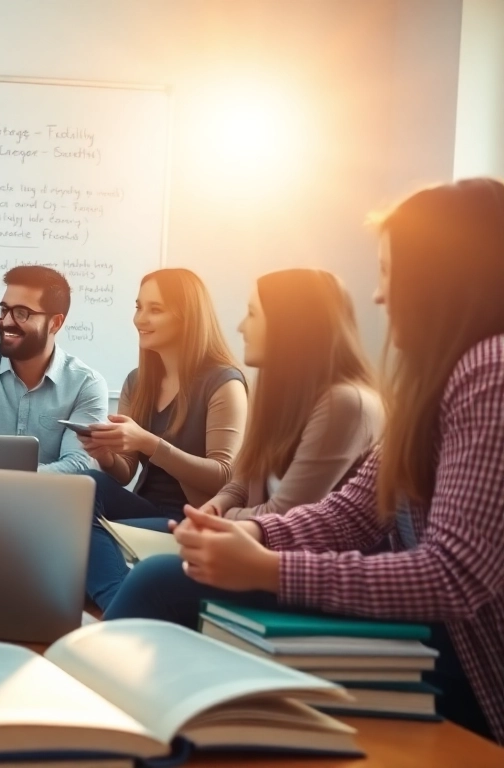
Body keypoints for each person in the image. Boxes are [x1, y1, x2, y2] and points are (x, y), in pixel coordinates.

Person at [104, 178, 504, 744]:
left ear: (441, 277)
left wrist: (269, 568)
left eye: (389, 272)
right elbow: (353, 513)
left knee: (162, 579)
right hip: (432, 632)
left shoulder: (491, 370)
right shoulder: (434, 382)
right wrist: (254, 535)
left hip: (469, 664)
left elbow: (455, 576)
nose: (379, 296)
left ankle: (91, 735)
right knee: (165, 575)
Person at [79, 268, 246, 609]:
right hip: (147, 507)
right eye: (139, 307)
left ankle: (118, 610)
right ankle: (122, 600)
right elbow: (125, 472)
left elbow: (223, 476)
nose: (140, 319)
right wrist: (106, 454)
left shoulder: (224, 383)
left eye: (155, 309)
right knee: (86, 486)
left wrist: (149, 443)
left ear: (188, 318)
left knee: (78, 536)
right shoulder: (138, 381)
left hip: (193, 516)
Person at [203, 269, 382, 520]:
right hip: (248, 538)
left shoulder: (346, 404)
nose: (241, 327)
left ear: (290, 324)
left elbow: (284, 516)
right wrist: (216, 506)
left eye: (252, 314)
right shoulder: (279, 398)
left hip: (290, 545)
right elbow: (243, 482)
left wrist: (215, 520)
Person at [0, 265, 108, 472]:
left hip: (47, 493)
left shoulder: (86, 385)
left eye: (21, 313)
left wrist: (4, 478)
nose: (6, 321)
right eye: (4, 310)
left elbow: (78, 465)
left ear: (55, 323)